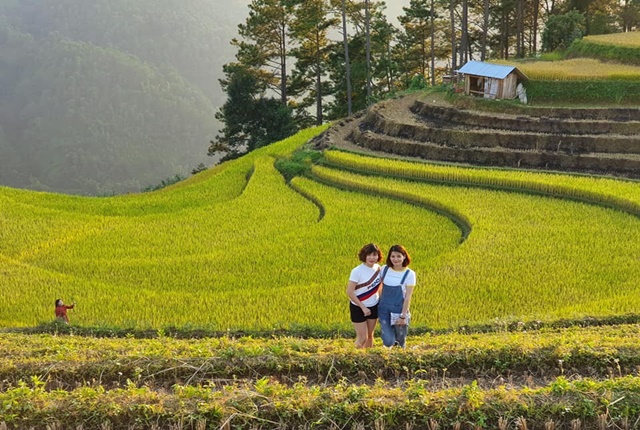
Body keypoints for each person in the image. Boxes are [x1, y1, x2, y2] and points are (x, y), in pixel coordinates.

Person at [378, 245, 416, 348]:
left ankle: (398, 360)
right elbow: (378, 288)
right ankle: (389, 346)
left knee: (400, 342)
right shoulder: (384, 269)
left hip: (399, 310)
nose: (395, 259)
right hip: (383, 309)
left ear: (404, 256)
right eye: (393, 256)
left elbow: (408, 297)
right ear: (389, 257)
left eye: (398, 256)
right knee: (388, 341)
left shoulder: (409, 274)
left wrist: (403, 316)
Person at [346, 243, 383, 348]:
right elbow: (349, 291)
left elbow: (380, 287)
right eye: (369, 255)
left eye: (374, 255)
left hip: (373, 305)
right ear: (364, 256)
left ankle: (367, 358)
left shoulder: (378, 269)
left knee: (370, 335)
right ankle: (353, 357)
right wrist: (363, 307)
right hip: (358, 307)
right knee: (362, 338)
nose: (372, 258)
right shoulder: (357, 271)